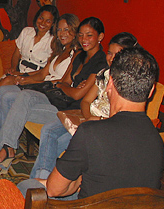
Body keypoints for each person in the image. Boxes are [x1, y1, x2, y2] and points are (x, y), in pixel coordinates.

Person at [18, 47, 163, 209]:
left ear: (110, 84)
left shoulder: (91, 133)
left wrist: (56, 181)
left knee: (25, 187)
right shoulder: (157, 139)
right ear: (151, 90)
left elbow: (54, 190)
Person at [0, 17, 108, 175]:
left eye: (89, 35)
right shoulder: (80, 55)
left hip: (68, 111)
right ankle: (6, 147)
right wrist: (64, 86)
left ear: (100, 37)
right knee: (23, 97)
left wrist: (64, 86)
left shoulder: (101, 63)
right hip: (57, 100)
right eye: (81, 35)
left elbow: (77, 94)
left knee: (18, 105)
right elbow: (65, 82)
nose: (83, 39)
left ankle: (4, 151)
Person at [30, 32, 140, 179]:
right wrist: (88, 118)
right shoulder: (104, 73)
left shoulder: (129, 83)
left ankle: (41, 183)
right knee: (49, 130)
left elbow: (122, 117)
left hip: (104, 126)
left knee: (62, 142)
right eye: (109, 53)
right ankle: (40, 179)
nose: (111, 58)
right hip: (86, 118)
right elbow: (86, 101)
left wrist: (95, 122)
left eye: (117, 54)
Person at [0, 5, 59, 113]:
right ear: (37, 17)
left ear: (53, 24)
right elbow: (16, 54)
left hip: (35, 76)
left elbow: (45, 70)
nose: (43, 23)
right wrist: (13, 68)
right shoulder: (27, 32)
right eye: (41, 18)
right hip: (20, 71)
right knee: (1, 85)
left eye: (48, 21)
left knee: (6, 81)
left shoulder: (53, 41)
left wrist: (19, 75)